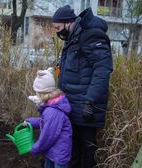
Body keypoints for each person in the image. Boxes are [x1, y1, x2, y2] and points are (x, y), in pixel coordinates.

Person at [52, 5, 113, 168]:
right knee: (73, 151)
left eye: (58, 28)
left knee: (87, 152)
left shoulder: (90, 35)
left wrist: (90, 101)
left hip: (86, 107)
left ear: (68, 23)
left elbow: (102, 69)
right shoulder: (72, 38)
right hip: (73, 105)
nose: (58, 32)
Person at [23, 68, 72, 168]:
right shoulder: (52, 105)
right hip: (52, 149)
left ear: (42, 93)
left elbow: (48, 136)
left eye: (37, 92)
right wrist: (30, 122)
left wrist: (35, 148)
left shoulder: (52, 111)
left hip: (58, 153)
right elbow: (44, 122)